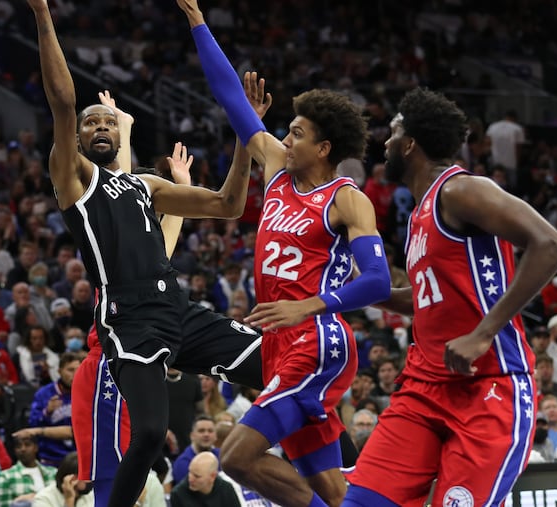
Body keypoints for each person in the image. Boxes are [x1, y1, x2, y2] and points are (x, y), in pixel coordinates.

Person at [27, 3, 267, 506]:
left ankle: (334, 474)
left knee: (281, 365)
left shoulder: (144, 185)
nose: (99, 127)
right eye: (90, 122)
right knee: (152, 433)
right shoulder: (74, 180)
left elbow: (229, 205)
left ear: (120, 136)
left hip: (176, 308)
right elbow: (64, 103)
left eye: (108, 123)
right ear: (76, 138)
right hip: (128, 315)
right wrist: (43, 13)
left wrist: (248, 135)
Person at [178, 3, 392, 507]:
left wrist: (308, 306)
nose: (284, 138)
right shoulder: (276, 168)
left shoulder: (346, 198)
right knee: (334, 491)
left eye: (296, 133)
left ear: (324, 148)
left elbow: (379, 281)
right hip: (278, 344)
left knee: (236, 457)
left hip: (317, 343)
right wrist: (196, 20)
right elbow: (230, 96)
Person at [337, 87, 557, 507]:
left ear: (409, 143)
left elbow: (550, 245)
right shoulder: (418, 215)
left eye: (392, 133)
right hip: (424, 390)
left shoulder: (461, 190)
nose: (384, 143)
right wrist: (366, 289)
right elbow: (425, 300)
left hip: (488, 387)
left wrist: (483, 334)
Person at [0, 435, 56, 507]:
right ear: (14, 451)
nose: (23, 449)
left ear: (36, 448)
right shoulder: (6, 476)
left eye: (27, 445)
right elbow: (4, 505)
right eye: (18, 446)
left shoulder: (53, 473)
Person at [170, 452, 240, 507]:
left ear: (213, 476)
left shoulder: (226, 489)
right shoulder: (178, 494)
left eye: (197, 476)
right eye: (190, 472)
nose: (190, 479)